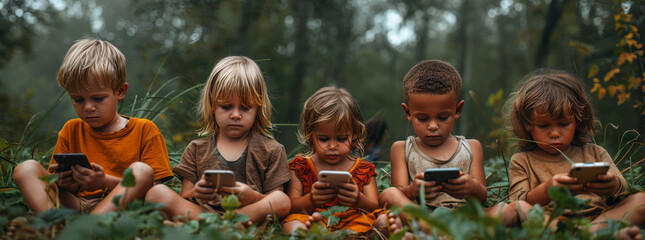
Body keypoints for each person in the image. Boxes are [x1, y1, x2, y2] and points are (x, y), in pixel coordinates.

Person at [12, 38, 173, 214]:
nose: (88, 107)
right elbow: (57, 185)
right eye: (78, 99)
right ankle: (55, 224)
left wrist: (104, 182)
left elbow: (153, 192)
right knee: (25, 168)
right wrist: (64, 181)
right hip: (75, 205)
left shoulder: (144, 130)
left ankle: (87, 229)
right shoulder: (71, 129)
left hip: (122, 208)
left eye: (98, 98)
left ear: (120, 91)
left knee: (141, 171)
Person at [378, 60, 526, 230]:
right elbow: (397, 195)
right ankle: (431, 228)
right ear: (408, 112)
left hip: (465, 216)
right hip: (422, 214)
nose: (433, 126)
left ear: (458, 110)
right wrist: (412, 191)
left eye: (442, 117)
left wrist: (470, 187)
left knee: (505, 211)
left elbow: (482, 197)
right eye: (423, 118)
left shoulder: (471, 147)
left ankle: (431, 233)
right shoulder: (402, 148)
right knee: (389, 195)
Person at [145, 56, 291, 224]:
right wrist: (197, 193)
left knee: (282, 200)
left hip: (247, 214)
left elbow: (275, 199)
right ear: (212, 106)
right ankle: (220, 228)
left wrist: (252, 197)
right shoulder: (196, 149)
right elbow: (185, 197)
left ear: (258, 108)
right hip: (203, 214)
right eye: (226, 107)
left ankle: (229, 226)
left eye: (245, 108)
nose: (235, 115)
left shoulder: (272, 150)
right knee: (156, 193)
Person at [507, 69, 645, 234]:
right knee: (518, 207)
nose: (555, 133)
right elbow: (517, 201)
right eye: (543, 126)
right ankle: (600, 234)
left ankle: (591, 232)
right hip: (551, 221)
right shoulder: (522, 160)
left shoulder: (595, 152)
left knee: (641, 200)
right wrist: (546, 191)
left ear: (578, 120)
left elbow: (622, 191)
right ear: (527, 125)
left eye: (564, 123)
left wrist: (611, 185)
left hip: (598, 218)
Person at [282, 86, 387, 234]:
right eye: (323, 139)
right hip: (314, 221)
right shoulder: (300, 167)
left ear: (355, 133)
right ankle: (306, 236)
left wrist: (358, 200)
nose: (332, 146)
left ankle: (360, 237)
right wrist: (311, 200)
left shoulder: (363, 169)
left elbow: (376, 207)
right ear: (310, 134)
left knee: (382, 220)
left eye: (342, 138)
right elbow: (290, 206)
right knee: (292, 222)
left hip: (354, 224)